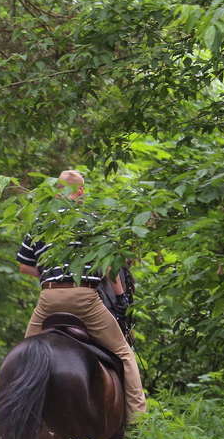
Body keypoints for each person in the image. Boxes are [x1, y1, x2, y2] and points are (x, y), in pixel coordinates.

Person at [16, 169, 148, 419]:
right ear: (80, 191)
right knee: (124, 353)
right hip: (85, 299)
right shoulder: (93, 220)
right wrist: (120, 299)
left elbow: (24, 265)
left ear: (58, 192)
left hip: (49, 300)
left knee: (24, 355)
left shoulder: (42, 221)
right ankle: (139, 421)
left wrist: (49, 276)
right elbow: (110, 267)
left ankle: (17, 420)